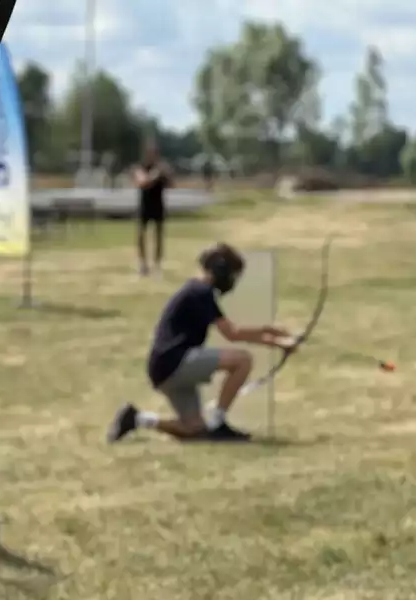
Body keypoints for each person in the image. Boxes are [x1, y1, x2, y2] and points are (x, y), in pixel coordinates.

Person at [106, 242, 295, 443]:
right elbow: (233, 333)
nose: (232, 281)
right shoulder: (201, 292)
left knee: (193, 430)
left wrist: (273, 336)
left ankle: (136, 418)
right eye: (232, 274)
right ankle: (218, 422)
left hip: (162, 368)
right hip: (175, 361)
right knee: (243, 360)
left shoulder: (196, 290)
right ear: (221, 270)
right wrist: (275, 339)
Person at [132, 140, 172, 277]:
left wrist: (166, 174)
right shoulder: (140, 167)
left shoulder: (162, 169)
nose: (152, 155)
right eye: (150, 152)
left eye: (155, 153)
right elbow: (142, 182)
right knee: (141, 235)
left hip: (158, 205)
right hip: (145, 205)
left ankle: (157, 265)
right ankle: (143, 265)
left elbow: (171, 184)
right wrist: (155, 174)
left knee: (158, 236)